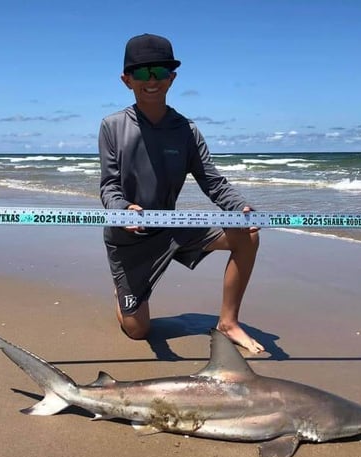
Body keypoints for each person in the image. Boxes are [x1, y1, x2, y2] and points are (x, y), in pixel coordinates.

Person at [98, 33, 263, 354]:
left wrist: (239, 207)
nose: (151, 81)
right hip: (128, 239)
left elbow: (213, 182)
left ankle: (228, 322)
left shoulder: (187, 130)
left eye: (159, 72)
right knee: (138, 331)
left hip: (174, 228)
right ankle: (123, 292)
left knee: (247, 236)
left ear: (172, 78)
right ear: (126, 80)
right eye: (142, 73)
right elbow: (109, 185)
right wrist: (122, 210)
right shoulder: (112, 126)